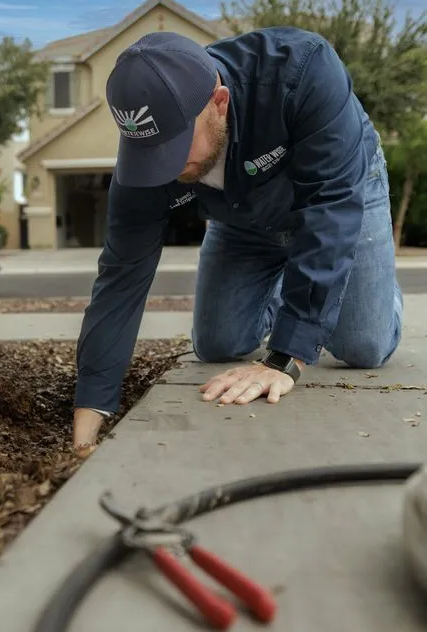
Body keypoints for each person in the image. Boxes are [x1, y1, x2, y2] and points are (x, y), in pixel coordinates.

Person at [72, 27, 403, 453]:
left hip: (338, 192)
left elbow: (331, 210)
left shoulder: (303, 70)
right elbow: (120, 278)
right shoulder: (147, 154)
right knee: (218, 343)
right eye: (151, 152)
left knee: (362, 345)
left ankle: (374, 292)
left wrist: (285, 358)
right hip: (241, 215)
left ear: (219, 102)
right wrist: (90, 412)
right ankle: (299, 281)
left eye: (174, 147)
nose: (166, 169)